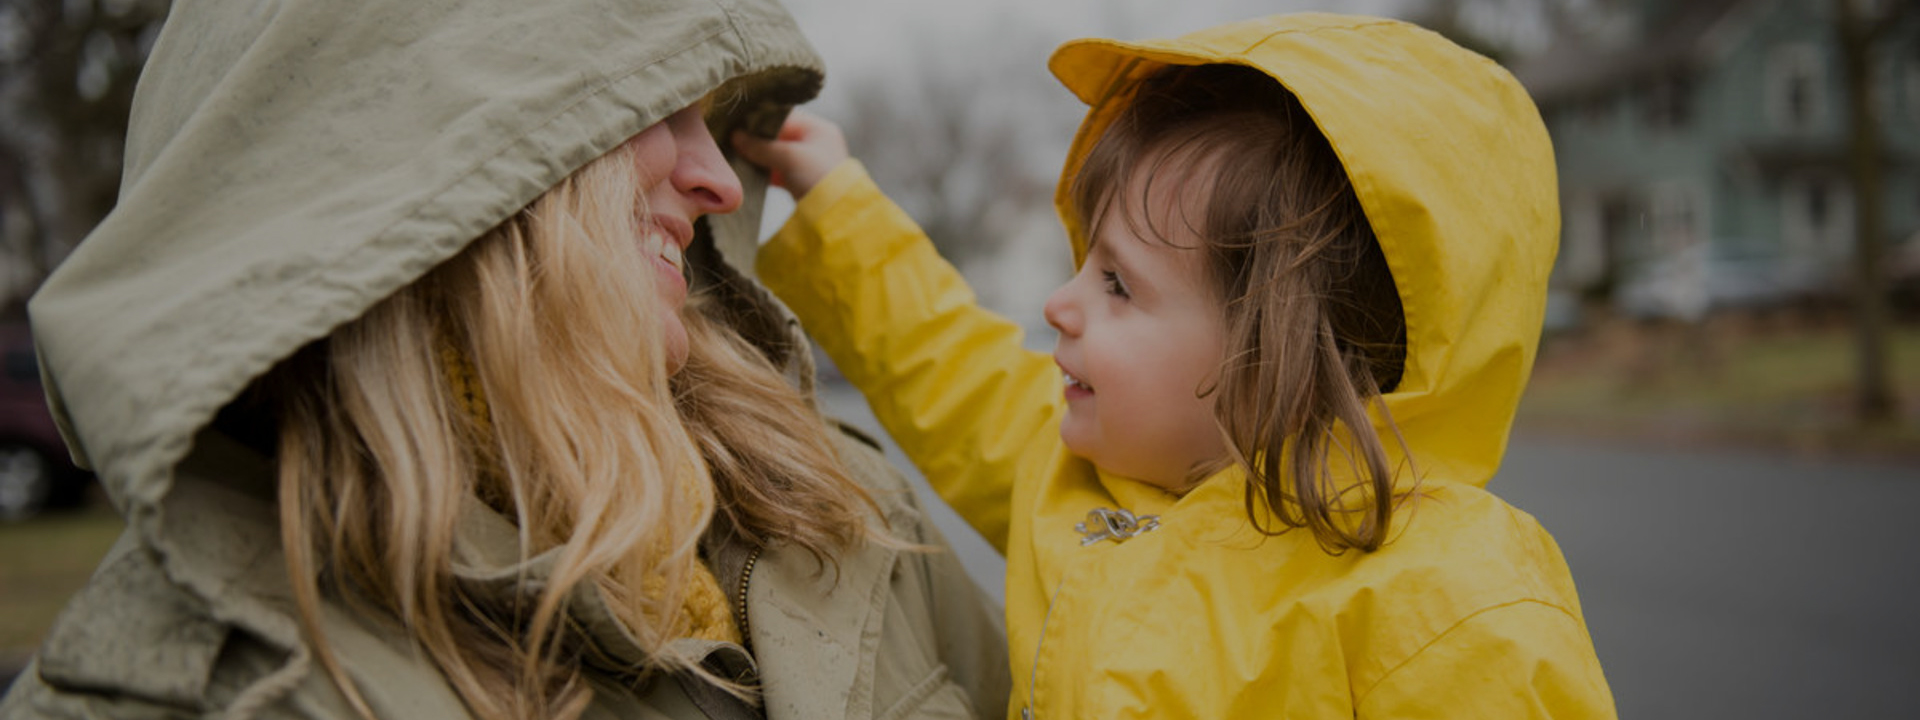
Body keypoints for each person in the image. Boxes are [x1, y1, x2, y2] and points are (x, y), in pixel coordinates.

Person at [0, 0, 1009, 718]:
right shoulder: (208, 695)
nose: (720, 183)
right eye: (652, 105)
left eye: (713, 117)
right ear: (440, 153)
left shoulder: (843, 506)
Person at [735, 13, 1617, 719]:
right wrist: (838, 202)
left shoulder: (1448, 604)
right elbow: (950, 365)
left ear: (1278, 352)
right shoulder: (1078, 476)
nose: (1057, 305)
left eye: (1117, 283)